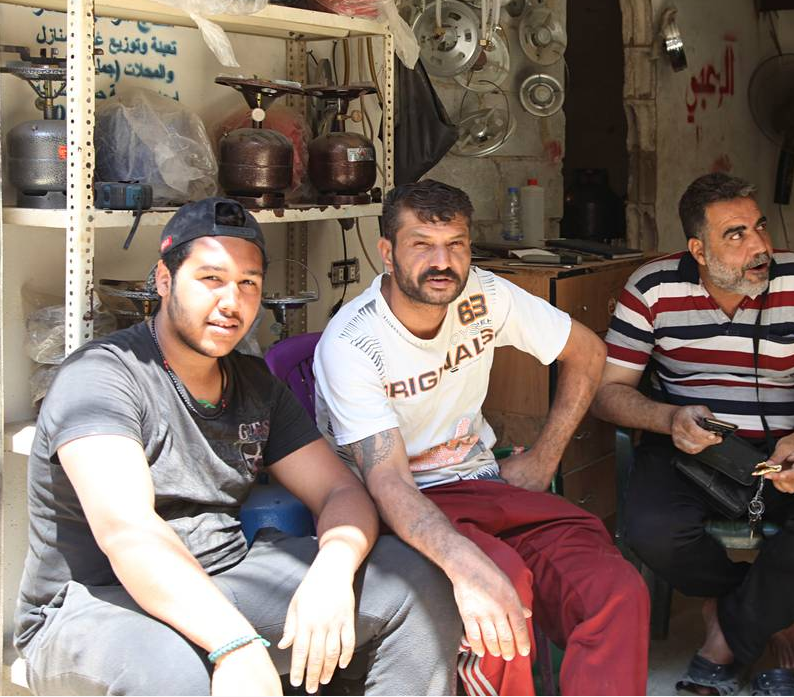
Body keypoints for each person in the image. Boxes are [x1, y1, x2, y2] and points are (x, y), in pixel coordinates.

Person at [14, 197, 461, 696]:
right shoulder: (103, 376)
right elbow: (128, 533)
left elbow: (340, 491)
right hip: (98, 606)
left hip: (226, 578)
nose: (232, 301)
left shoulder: (253, 383)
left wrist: (333, 569)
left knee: (418, 584)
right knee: (174, 672)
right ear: (164, 280)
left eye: (248, 283)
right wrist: (235, 644)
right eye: (210, 279)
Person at [313, 179, 650, 696]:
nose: (442, 261)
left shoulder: (485, 294)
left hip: (481, 483)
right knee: (499, 590)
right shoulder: (354, 342)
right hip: (400, 503)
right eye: (422, 244)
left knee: (615, 590)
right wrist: (466, 566)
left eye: (457, 244)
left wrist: (544, 458)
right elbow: (388, 483)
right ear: (387, 252)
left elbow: (587, 352)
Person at [591, 172, 794, 696]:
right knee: (651, 530)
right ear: (698, 248)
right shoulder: (651, 288)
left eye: (759, 227)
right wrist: (667, 419)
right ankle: (769, 621)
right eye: (736, 235)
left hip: (782, 449)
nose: (760, 245)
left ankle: (727, 636)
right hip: (689, 451)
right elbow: (609, 393)